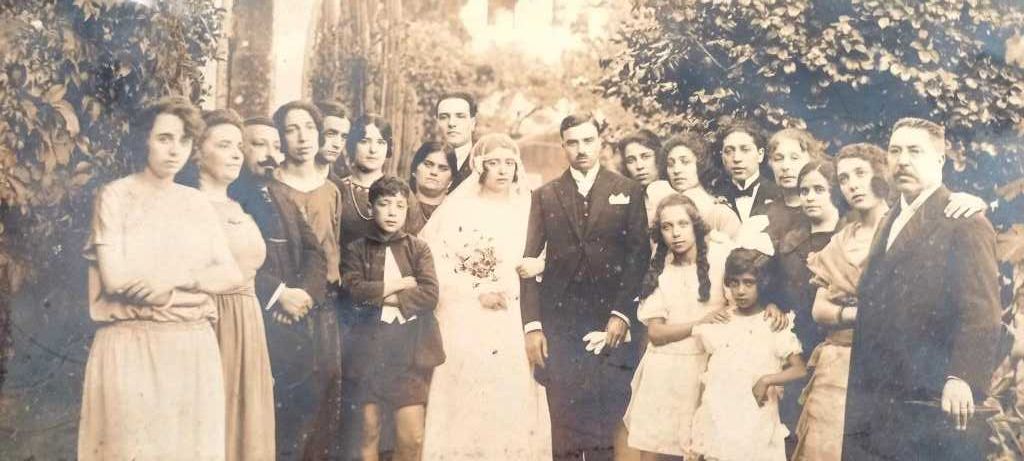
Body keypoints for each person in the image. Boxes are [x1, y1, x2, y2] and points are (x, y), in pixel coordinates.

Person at [78, 96, 243, 460]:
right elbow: (117, 278)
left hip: (191, 346)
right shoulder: (115, 196)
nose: (175, 150)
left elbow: (231, 273)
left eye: (184, 141)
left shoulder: (196, 203)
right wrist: (197, 281)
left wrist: (174, 278)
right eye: (164, 138)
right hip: (131, 344)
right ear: (144, 140)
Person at [843, 118, 1002, 460]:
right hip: (877, 392)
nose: (902, 160)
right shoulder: (890, 218)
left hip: (929, 394)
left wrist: (963, 377)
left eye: (915, 151)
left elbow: (982, 311)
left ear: (939, 160)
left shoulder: (966, 220)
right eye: (895, 151)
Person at [520, 112, 651, 459]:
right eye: (573, 142)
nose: (581, 149)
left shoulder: (628, 191)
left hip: (610, 320)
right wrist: (533, 326)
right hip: (560, 324)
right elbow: (529, 264)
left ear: (600, 142)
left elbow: (639, 258)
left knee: (606, 417)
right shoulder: (545, 195)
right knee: (562, 418)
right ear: (563, 146)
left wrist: (622, 314)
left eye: (588, 140)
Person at [420, 134, 552, 460]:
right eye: (494, 163)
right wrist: (476, 292)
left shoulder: (529, 208)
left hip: (514, 314)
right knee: (467, 395)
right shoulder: (460, 209)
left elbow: (548, 254)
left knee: (511, 394)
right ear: (480, 167)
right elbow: (438, 264)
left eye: (509, 163)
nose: (502, 171)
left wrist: (537, 266)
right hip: (468, 316)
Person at [232, 115, 329, 458]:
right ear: (239, 148)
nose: (270, 154)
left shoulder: (280, 194)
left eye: (275, 145)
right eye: (259, 144)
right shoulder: (231, 196)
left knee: (294, 418)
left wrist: (303, 295)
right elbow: (232, 260)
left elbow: (315, 253)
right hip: (251, 322)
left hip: (295, 325)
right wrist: (278, 296)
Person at [791, 143, 890, 460]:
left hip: (882, 363)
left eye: (861, 173)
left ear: (880, 174)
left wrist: (843, 311)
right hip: (835, 364)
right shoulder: (841, 240)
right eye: (845, 179)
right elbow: (819, 310)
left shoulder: (902, 229)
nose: (853, 185)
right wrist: (858, 313)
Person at [194, 109, 275, 461]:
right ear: (197, 152)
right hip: (209, 325)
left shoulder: (240, 206)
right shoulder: (187, 205)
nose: (236, 154)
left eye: (238, 146)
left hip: (248, 325)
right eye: (223, 145)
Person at [621, 194, 729, 459]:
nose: (675, 233)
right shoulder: (661, 274)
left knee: (700, 449)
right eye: (667, 227)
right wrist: (699, 324)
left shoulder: (720, 261)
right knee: (656, 449)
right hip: (665, 370)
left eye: (682, 224)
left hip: (706, 368)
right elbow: (656, 333)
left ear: (695, 225)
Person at [340, 177, 440, 461]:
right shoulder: (357, 249)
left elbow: (430, 295)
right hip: (368, 349)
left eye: (400, 205)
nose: (393, 212)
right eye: (385, 204)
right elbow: (353, 292)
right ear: (372, 209)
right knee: (368, 430)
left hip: (410, 350)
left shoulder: (418, 249)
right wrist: (398, 285)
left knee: (412, 437)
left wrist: (381, 297)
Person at [269, 100, 346, 459]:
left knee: (325, 390)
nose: (302, 137)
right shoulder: (271, 187)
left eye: (309, 128)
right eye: (291, 129)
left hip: (324, 304)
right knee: (287, 397)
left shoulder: (331, 189)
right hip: (283, 307)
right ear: (281, 137)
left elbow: (332, 249)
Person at [689, 247, 807, 461]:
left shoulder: (771, 321)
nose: (740, 290)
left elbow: (800, 369)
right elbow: (708, 373)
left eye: (748, 282)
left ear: (761, 284)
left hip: (756, 415)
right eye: (734, 283)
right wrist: (699, 418)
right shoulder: (721, 321)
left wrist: (767, 380)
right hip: (720, 412)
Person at [339, 115, 426, 247]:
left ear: (388, 147)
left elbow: (416, 244)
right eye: (364, 141)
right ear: (352, 145)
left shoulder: (402, 193)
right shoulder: (338, 189)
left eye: (380, 142)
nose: (373, 150)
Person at [662, 132, 741, 239]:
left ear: (700, 164)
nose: (676, 170)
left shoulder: (720, 213)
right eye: (671, 164)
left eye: (685, 162)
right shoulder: (667, 214)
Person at [764, 128, 825, 245]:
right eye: (778, 159)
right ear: (771, 164)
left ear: (811, 161)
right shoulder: (764, 214)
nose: (785, 166)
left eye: (794, 158)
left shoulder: (824, 212)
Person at [713, 119, 781, 223]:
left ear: (760, 154)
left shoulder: (779, 195)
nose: (736, 158)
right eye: (729, 151)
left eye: (745, 150)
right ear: (722, 156)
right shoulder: (714, 197)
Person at [619, 129, 676, 229]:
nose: (639, 166)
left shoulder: (670, 194)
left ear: (658, 157)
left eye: (645, 157)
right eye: (631, 160)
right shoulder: (630, 197)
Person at [434, 92, 477, 192]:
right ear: (437, 123)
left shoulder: (483, 163)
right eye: (444, 117)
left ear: (472, 123)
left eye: (460, 116)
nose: (451, 123)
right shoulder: (426, 165)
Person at [408, 140, 457, 223]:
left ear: (451, 179)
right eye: (428, 164)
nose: (434, 172)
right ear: (414, 169)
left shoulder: (455, 214)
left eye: (443, 168)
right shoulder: (399, 207)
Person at [316, 100, 352, 185]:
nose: (337, 144)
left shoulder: (342, 186)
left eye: (344, 137)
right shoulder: (285, 178)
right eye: (331, 134)